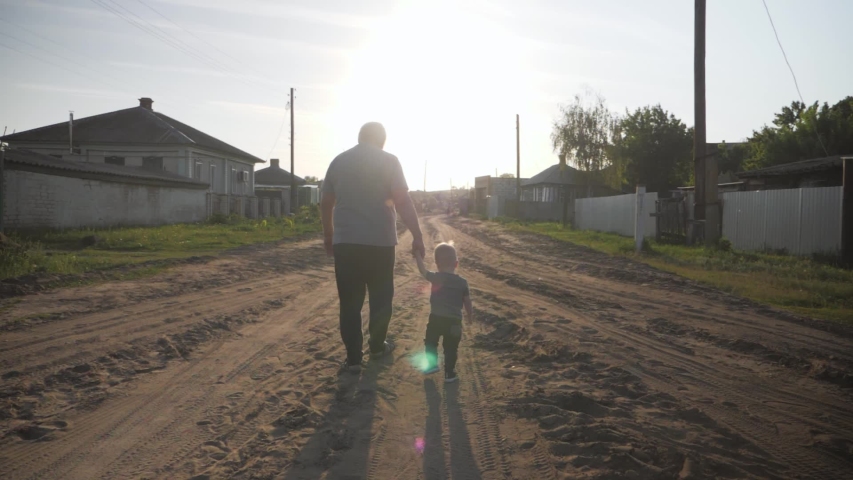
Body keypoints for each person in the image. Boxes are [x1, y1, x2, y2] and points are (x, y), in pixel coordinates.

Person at [321, 122, 426, 373]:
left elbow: (326, 203)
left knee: (350, 303)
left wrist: (328, 235)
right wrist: (417, 235)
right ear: (382, 140)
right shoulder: (389, 161)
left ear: (360, 138)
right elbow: (402, 200)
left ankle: (354, 359)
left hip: (346, 244)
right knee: (381, 299)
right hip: (380, 243)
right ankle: (377, 347)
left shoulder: (339, 161)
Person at [414, 242, 473, 383]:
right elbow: (467, 301)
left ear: (436, 263)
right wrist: (470, 316)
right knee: (451, 348)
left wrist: (417, 255)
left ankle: (432, 364)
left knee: (430, 342)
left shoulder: (436, 277)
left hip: (436, 319)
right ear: (456, 264)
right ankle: (450, 374)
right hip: (454, 322)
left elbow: (422, 271)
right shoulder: (462, 282)